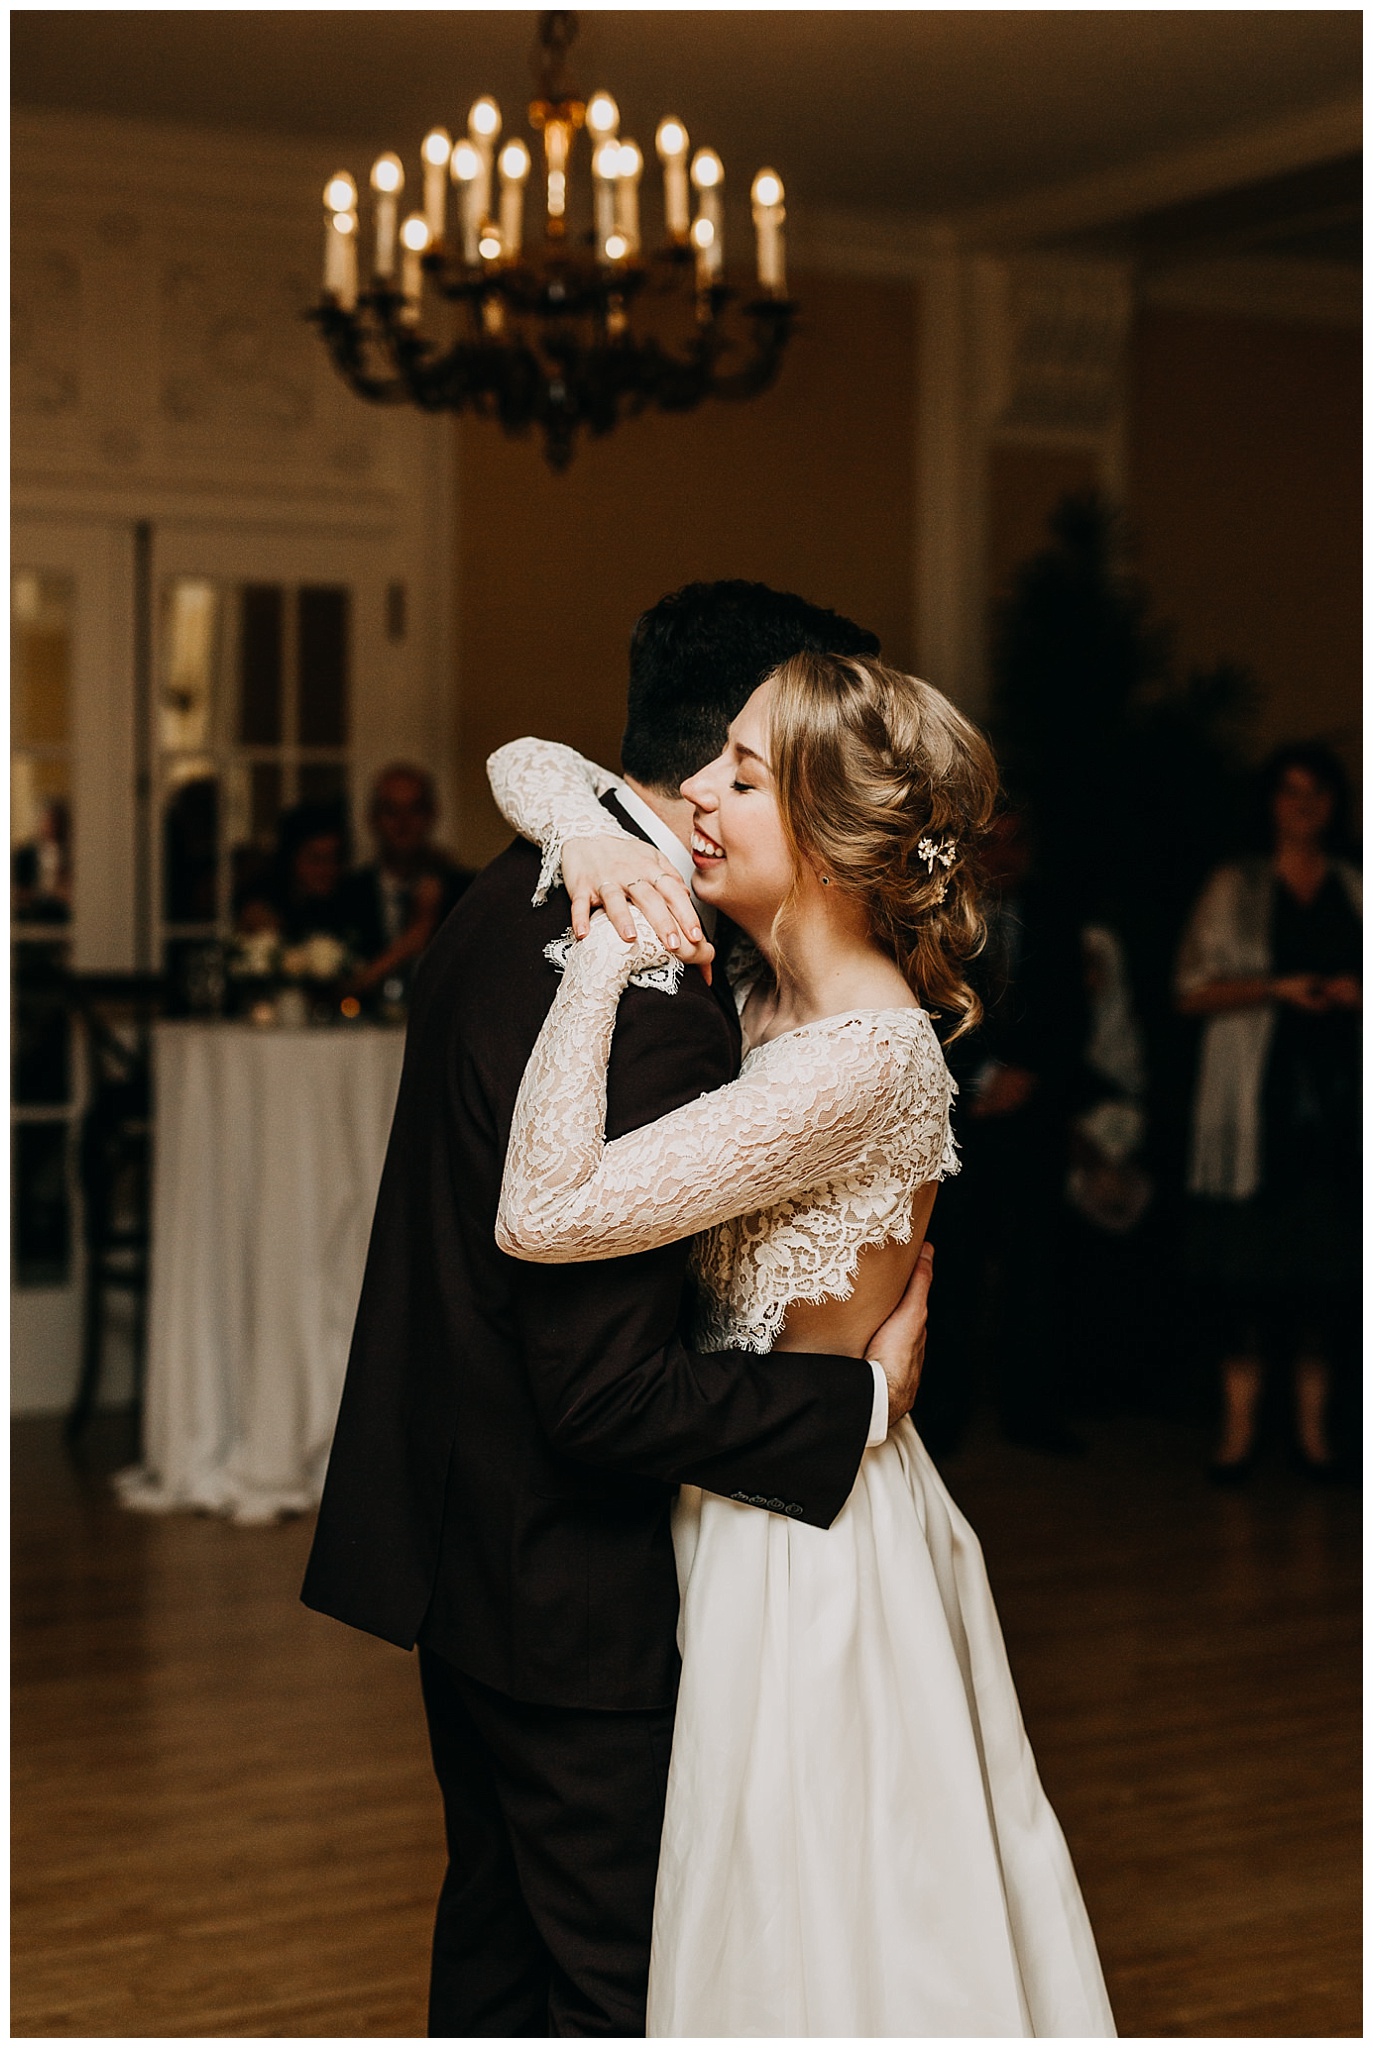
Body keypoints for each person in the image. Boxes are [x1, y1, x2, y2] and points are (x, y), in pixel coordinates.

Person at [301, 582, 932, 2037]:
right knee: (617, 1986)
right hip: (568, 1588)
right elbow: (603, 1390)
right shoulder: (652, 979)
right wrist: (859, 1400)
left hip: (463, 1548)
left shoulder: (516, 877)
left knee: (497, 1954)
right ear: (737, 746)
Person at [489, 653, 1116, 2036]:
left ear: (835, 839)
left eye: (744, 776)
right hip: (753, 1472)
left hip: (803, 1550)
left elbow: (541, 1214)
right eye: (710, 759)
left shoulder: (861, 1060)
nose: (693, 797)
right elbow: (526, 759)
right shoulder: (774, 994)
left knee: (818, 1936)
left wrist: (601, 943)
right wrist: (594, 835)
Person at [1176, 742, 1361, 1481]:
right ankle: (1238, 1435)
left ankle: (1314, 1442)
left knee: (1323, 1281)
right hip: (1253, 1113)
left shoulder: (1352, 885)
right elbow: (1190, 989)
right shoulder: (1235, 885)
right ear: (1270, 803)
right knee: (1245, 1278)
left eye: (1316, 793)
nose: (1304, 806)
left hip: (1338, 1110)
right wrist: (1275, 989)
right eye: (1289, 792)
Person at [916, 806, 1092, 1457]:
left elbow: (1071, 1010)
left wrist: (1032, 1075)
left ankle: (1032, 1412)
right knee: (950, 1270)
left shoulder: (1053, 909)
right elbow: (921, 1005)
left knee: (1034, 1271)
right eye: (990, 841)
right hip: (955, 1118)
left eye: (1017, 840)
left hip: (1034, 1118)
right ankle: (937, 1415)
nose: (1003, 854)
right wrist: (980, 1076)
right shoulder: (934, 910)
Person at [338, 764, 472, 1005]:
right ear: (373, 819)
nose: (403, 823)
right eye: (391, 811)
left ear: (431, 815)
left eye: (415, 810)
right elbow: (337, 988)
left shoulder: (465, 891)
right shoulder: (346, 893)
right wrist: (413, 938)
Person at [235, 799, 352, 944]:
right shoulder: (263, 900)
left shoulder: (349, 900)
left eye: (334, 858)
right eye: (316, 859)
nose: (327, 869)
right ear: (291, 858)